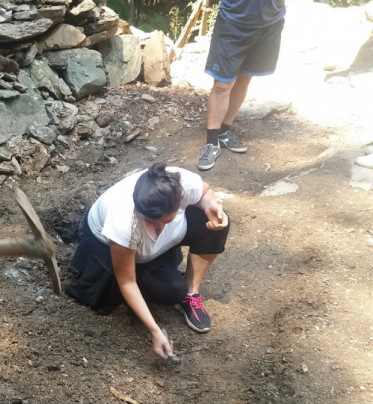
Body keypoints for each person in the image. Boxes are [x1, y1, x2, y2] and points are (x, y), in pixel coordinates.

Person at [65, 163, 230, 359]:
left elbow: (205, 192)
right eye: (151, 222)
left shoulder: (179, 183)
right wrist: (155, 330)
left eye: (166, 221)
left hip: (142, 240)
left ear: (181, 197)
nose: (159, 231)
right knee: (171, 291)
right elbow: (127, 281)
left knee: (216, 221)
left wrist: (209, 204)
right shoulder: (124, 221)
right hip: (108, 245)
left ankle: (191, 292)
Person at [197, 0, 286, 171]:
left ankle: (224, 131)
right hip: (232, 22)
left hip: (270, 23)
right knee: (222, 84)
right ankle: (212, 142)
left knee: (244, 77)